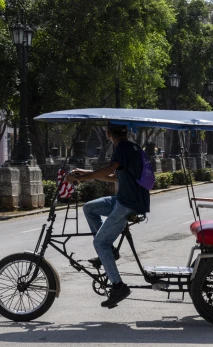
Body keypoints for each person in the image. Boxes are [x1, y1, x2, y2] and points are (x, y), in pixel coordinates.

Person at [66, 124, 150, 308]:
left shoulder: (123, 148)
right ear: (125, 133)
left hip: (129, 204)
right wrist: (86, 173)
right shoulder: (131, 148)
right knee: (89, 208)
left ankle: (118, 286)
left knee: (99, 243)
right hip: (123, 199)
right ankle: (110, 251)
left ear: (108, 134)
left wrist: (82, 178)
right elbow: (114, 176)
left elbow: (110, 169)